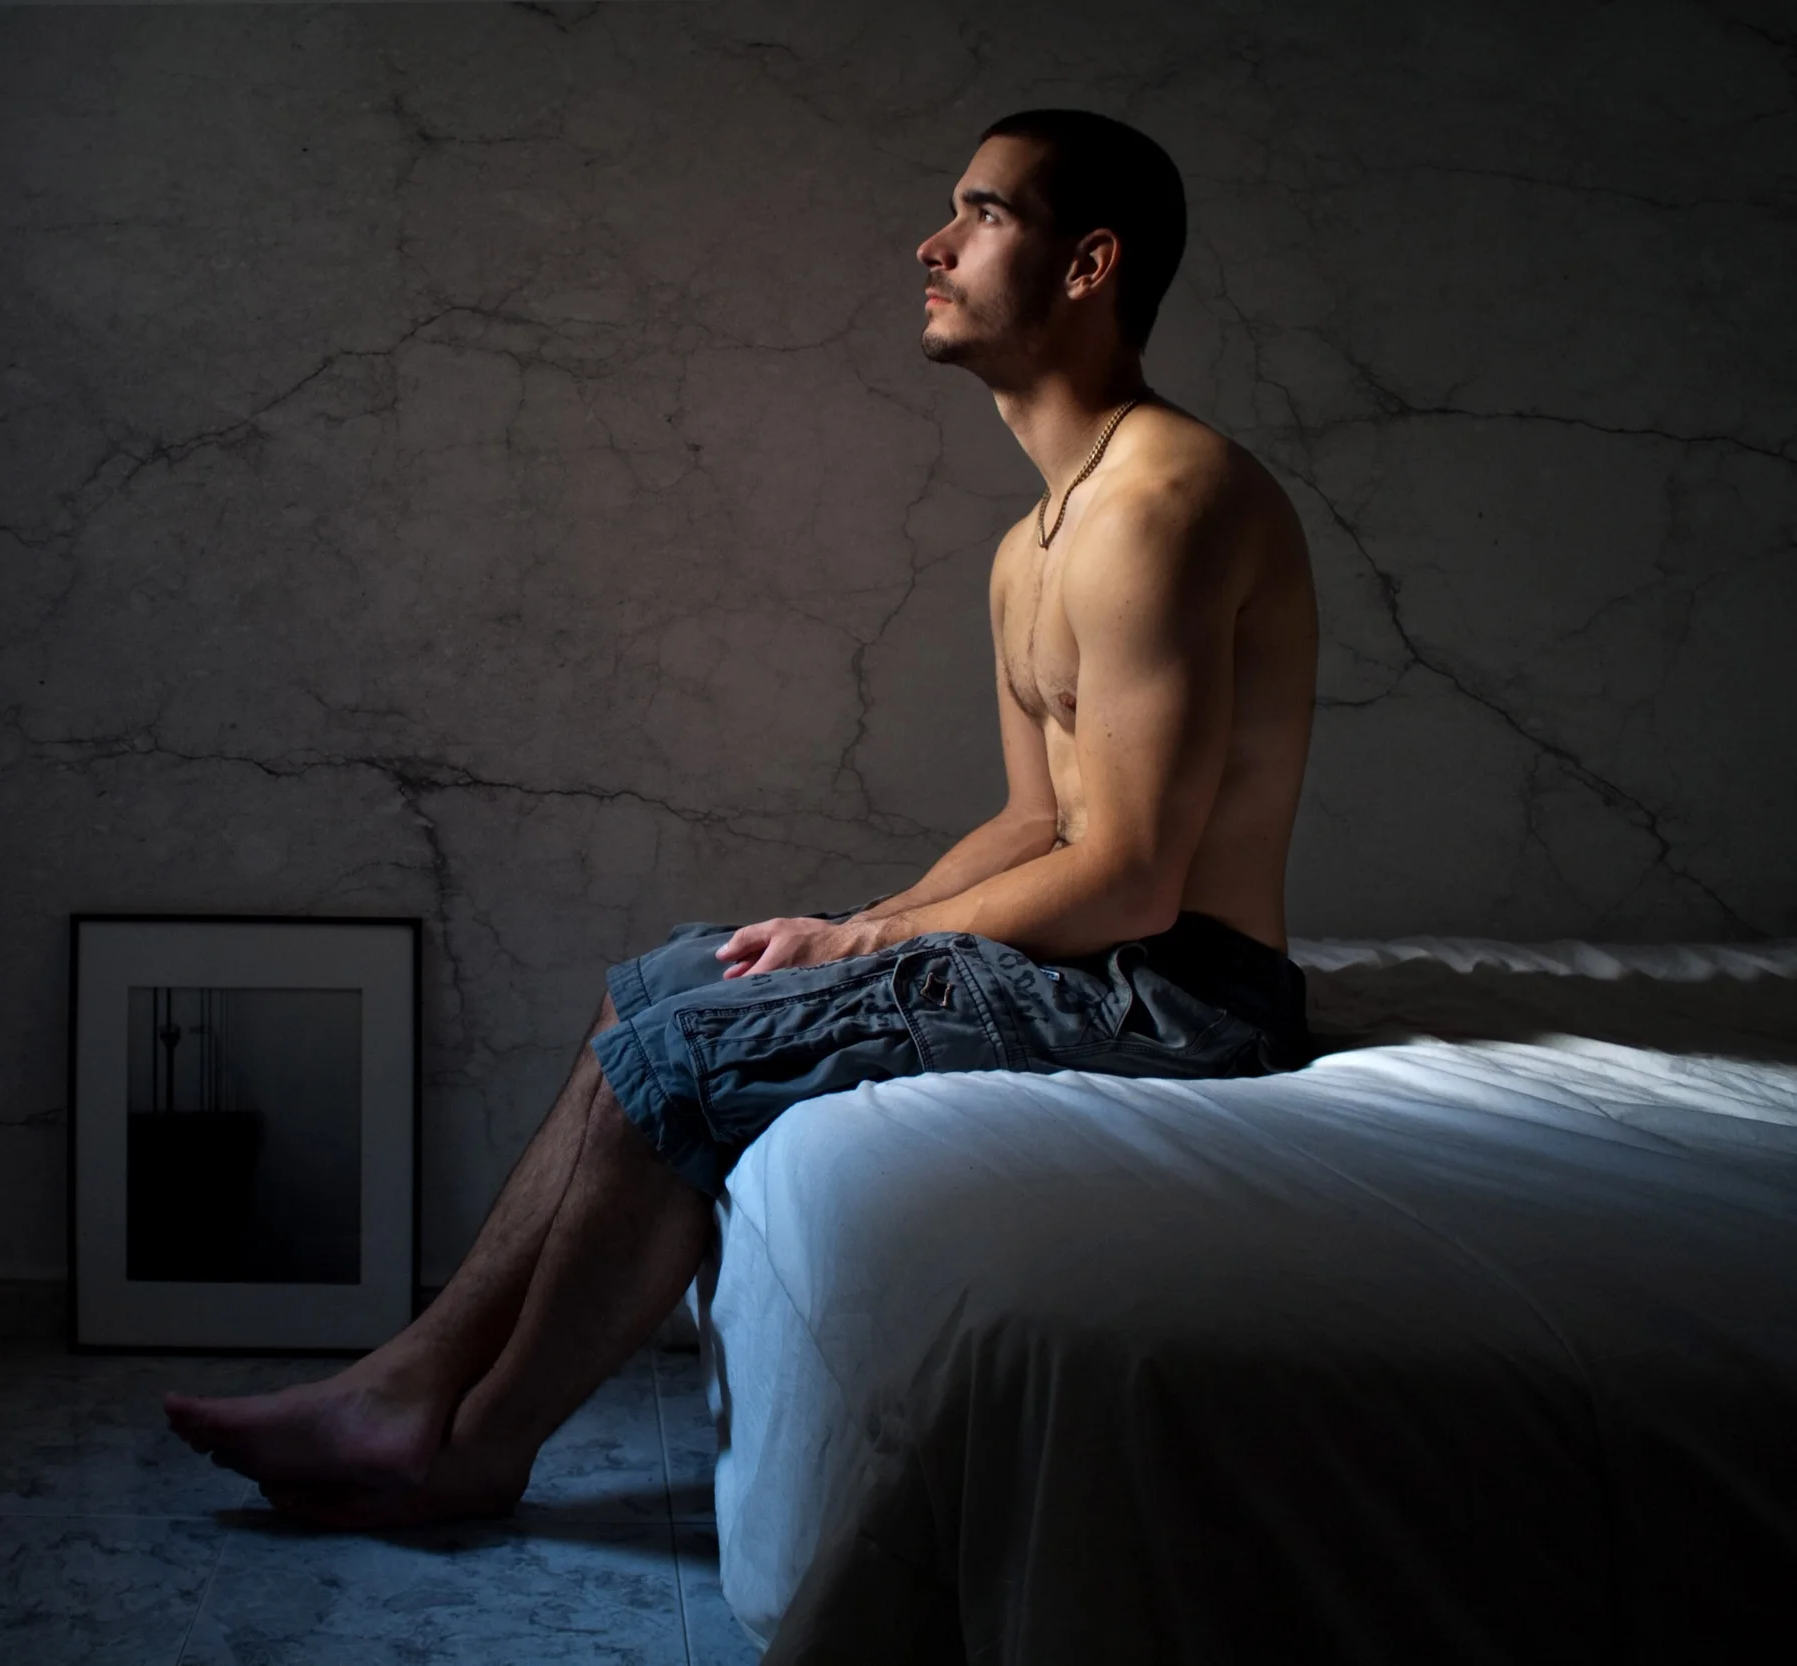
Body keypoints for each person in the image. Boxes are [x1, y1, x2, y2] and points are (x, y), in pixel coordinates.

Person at [163, 109, 1318, 1529]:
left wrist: (866, 948)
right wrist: (863, 928)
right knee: (662, 984)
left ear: (1088, 266)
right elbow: (1037, 819)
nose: (931, 243)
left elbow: (1133, 878)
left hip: (1179, 996)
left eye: (982, 213)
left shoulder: (1165, 500)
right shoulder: (1032, 546)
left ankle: (472, 1440)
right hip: (1096, 956)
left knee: (688, 1052)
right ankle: (408, 1381)